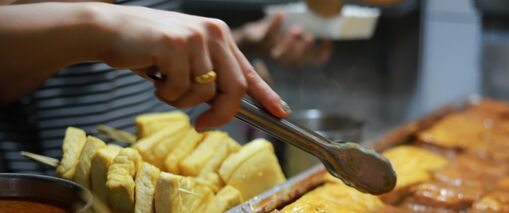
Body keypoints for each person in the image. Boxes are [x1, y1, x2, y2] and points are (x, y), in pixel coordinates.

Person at [0, 1, 332, 172]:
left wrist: (237, 44)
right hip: (65, 193)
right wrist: (97, 26)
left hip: (175, 163)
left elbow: (157, 32)